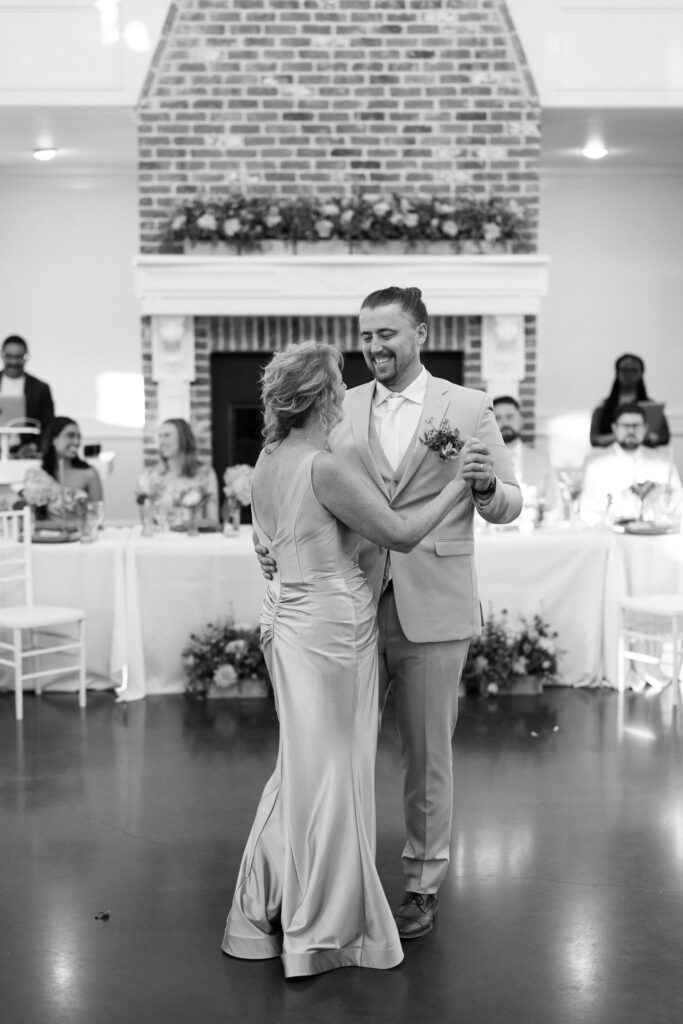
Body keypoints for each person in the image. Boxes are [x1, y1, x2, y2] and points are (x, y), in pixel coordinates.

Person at [255, 286, 522, 942]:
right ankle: (333, 880)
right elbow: (301, 484)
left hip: (432, 608)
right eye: (365, 335)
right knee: (333, 752)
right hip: (349, 609)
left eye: (386, 334)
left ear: (420, 334)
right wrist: (269, 542)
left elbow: (510, 502)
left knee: (427, 755)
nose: (373, 346)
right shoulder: (337, 405)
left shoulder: (467, 406)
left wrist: (483, 486)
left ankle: (421, 884)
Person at [223, 340, 488, 978]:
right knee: (334, 772)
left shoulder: (265, 459)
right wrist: (460, 488)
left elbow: (270, 537)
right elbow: (397, 533)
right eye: (339, 384)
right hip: (332, 633)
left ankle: (271, 903)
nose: (348, 392)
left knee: (304, 768)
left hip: (286, 622)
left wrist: (272, 555)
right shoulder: (323, 465)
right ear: (323, 397)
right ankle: (326, 927)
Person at [580, 403, 682, 526]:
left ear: (645, 428)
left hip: (653, 537)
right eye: (625, 425)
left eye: (636, 425)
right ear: (614, 428)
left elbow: (679, 508)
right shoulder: (595, 466)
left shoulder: (664, 465)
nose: (631, 430)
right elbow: (585, 512)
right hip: (609, 537)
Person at [22, 416, 103, 519]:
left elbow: (98, 516)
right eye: (70, 436)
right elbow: (30, 516)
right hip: (45, 533)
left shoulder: (89, 474)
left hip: (79, 533)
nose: (77, 442)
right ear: (53, 439)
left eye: (78, 437)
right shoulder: (38, 475)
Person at [492, 395, 560, 518]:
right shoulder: (481, 460)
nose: (505, 423)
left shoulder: (542, 460)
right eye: (498, 418)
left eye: (510, 416)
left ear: (521, 421)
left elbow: (554, 506)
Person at [141, 418, 219, 524]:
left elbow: (213, 521)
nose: (161, 442)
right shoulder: (151, 475)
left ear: (183, 439)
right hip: (162, 539)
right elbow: (146, 522)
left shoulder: (206, 474)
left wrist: (185, 527)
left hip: (195, 538)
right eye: (160, 436)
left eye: (167, 435)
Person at [590, 353, 670, 449]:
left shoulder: (652, 407)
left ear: (641, 373)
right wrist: (621, 435)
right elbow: (594, 439)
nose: (629, 374)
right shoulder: (603, 407)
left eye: (633, 370)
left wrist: (648, 437)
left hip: (644, 458)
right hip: (611, 458)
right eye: (625, 370)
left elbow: (664, 438)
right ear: (617, 372)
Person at [0, 334, 55, 456]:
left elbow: (49, 427)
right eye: (9, 356)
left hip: (25, 454)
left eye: (19, 357)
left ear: (26, 357)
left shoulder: (40, 389)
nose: (13, 362)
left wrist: (33, 447)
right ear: (2, 355)